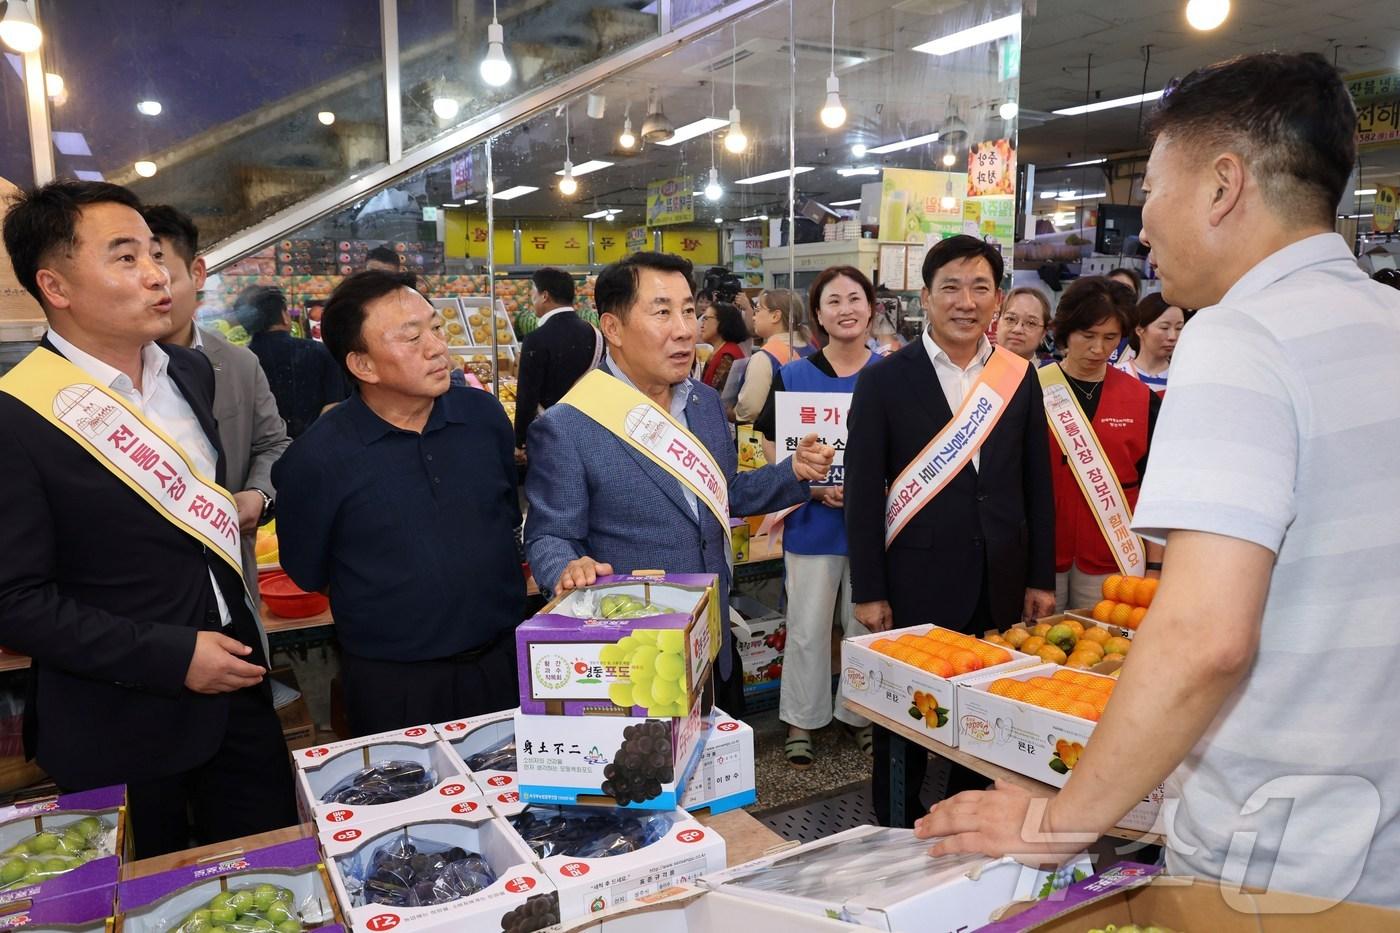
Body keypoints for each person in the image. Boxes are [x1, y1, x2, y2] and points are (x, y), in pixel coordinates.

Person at [915, 51, 1400, 909]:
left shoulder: (1243, 337)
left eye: (1154, 191)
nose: (1142, 228)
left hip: (1272, 861)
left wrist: (1062, 820)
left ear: (1223, 185)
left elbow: (1205, 636)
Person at [0, 180, 296, 857]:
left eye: (155, 254)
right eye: (125, 258)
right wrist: (172, 654)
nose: (158, 275)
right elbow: (15, 602)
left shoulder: (190, 373)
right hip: (118, 722)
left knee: (271, 876)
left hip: (241, 691)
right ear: (56, 286)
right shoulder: (18, 416)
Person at [523, 252, 834, 715]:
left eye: (689, 310)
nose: (685, 329)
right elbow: (549, 534)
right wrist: (566, 568)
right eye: (662, 311)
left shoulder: (704, 403)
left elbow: (722, 493)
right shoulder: (570, 424)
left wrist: (792, 472)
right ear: (613, 329)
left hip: (713, 642)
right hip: (638, 659)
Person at [846, 235, 1056, 827]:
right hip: (917, 577)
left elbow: (1036, 484)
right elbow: (862, 492)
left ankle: (964, 822)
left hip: (1001, 576)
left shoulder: (1018, 376)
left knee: (988, 713)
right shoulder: (886, 380)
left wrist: (1040, 575)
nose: (966, 301)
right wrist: (869, 589)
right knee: (907, 720)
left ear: (998, 299)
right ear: (925, 296)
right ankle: (894, 830)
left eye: (980, 287)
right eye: (952, 287)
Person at [273, 271, 524, 736]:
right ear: (363, 366)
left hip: (504, 664)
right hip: (395, 683)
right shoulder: (318, 458)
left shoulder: (483, 417)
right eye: (412, 338)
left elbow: (505, 517)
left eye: (434, 328)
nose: (436, 347)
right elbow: (309, 569)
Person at [752, 266, 882, 768]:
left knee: (865, 624)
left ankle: (861, 715)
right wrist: (806, 482)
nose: (845, 309)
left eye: (855, 298)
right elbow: (768, 438)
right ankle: (801, 720)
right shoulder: (794, 375)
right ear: (818, 315)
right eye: (833, 301)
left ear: (871, 308)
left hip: (875, 524)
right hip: (812, 521)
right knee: (807, 626)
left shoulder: (891, 373)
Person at [142, 205, 291, 621]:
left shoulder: (238, 364)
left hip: (232, 580)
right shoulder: (106, 372)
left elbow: (273, 444)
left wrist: (259, 494)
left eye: (160, 266)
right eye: (128, 265)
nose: (149, 283)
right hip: (146, 602)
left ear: (198, 273)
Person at [1040, 277, 1163, 611]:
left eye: (1110, 338)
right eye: (1088, 336)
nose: (1098, 349)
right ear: (1065, 333)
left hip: (1113, 555)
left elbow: (1156, 488)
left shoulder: (1142, 399)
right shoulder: (1032, 390)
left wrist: (1155, 566)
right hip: (1041, 556)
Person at [238, 284, 349, 437]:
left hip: (263, 452)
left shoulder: (240, 362)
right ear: (284, 316)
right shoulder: (320, 352)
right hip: (317, 447)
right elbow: (334, 406)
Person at [514, 267, 601, 457]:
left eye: (533, 293)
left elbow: (527, 396)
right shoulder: (595, 334)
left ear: (544, 296)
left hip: (550, 437)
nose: (532, 299)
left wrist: (520, 441)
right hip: (588, 432)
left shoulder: (535, 339)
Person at [733, 289, 811, 424]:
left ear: (776, 316)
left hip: (771, 439)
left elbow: (750, 409)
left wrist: (732, 412)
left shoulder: (765, 357)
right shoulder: (812, 349)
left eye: (757, 310)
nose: (753, 317)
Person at [1113, 292, 1184, 393]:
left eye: (1179, 328)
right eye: (1164, 327)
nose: (1173, 336)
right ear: (1139, 330)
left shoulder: (1183, 379)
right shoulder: (1117, 374)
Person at [699, 301, 748, 390]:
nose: (702, 324)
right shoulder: (719, 350)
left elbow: (718, 394)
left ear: (722, 322)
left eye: (706, 318)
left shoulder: (728, 356)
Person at [994, 287, 1051, 362]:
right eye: (1010, 319)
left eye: (1031, 323)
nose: (1017, 329)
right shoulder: (977, 367)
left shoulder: (1048, 373)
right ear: (997, 321)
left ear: (1043, 333)